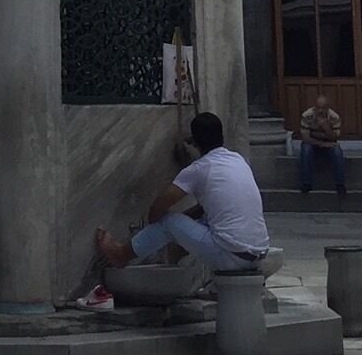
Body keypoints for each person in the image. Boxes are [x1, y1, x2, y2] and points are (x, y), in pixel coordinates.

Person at [93, 111, 271, 281]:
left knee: (169, 223)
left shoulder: (199, 168)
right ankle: (209, 283)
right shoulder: (237, 159)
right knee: (195, 222)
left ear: (194, 143)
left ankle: (121, 254)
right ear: (222, 137)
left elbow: (156, 211)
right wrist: (183, 227)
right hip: (258, 253)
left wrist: (163, 228)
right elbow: (206, 209)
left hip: (231, 257)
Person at [297, 93, 346, 197]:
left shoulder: (334, 117)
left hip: (329, 146)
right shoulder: (307, 116)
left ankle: (340, 185)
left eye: (323, 108)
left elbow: (335, 138)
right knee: (306, 150)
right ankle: (306, 183)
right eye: (318, 108)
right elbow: (305, 138)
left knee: (337, 151)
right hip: (313, 144)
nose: (320, 111)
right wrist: (322, 144)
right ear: (314, 107)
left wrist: (326, 127)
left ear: (328, 108)